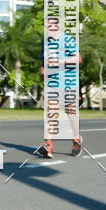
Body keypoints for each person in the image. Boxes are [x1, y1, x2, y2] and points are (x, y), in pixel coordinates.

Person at [36, 25, 83, 158]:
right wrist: (43, 73)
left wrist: (59, 61)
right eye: (46, 26)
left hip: (68, 84)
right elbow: (43, 63)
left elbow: (79, 58)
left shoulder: (67, 40)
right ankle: (48, 146)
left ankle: (76, 139)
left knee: (71, 114)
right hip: (52, 85)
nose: (47, 29)